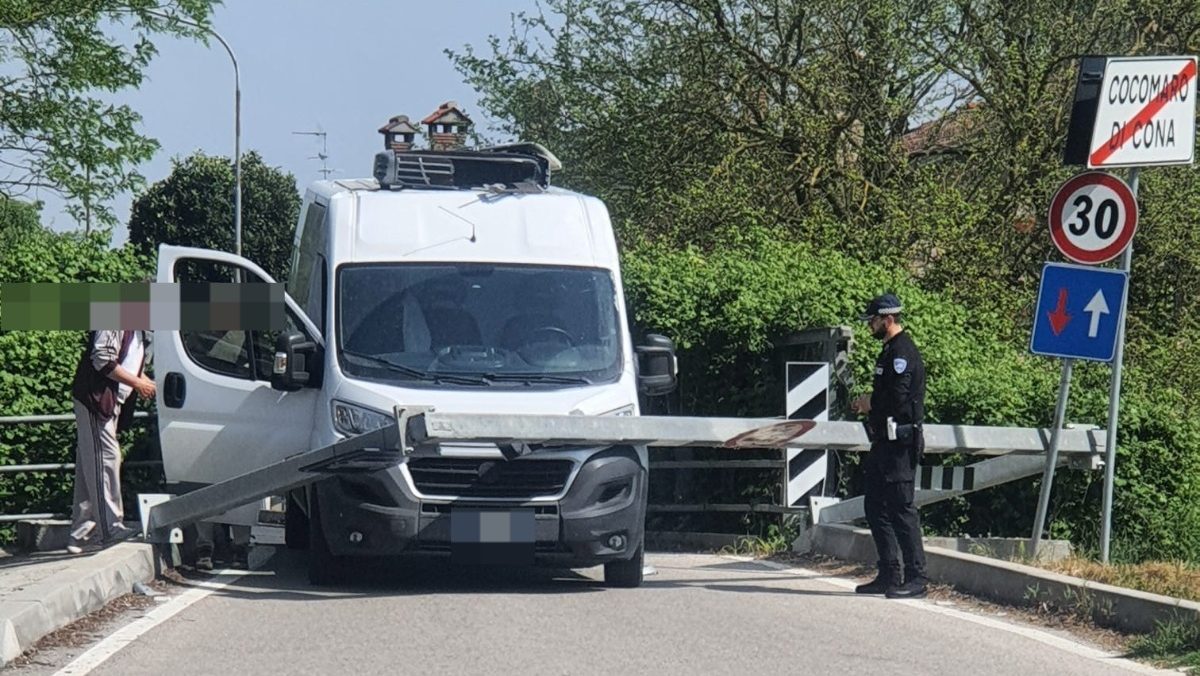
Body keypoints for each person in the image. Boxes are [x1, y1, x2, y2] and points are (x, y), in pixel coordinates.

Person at [849, 293, 929, 599]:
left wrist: (870, 403)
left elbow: (898, 398)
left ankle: (917, 577)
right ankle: (889, 573)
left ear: (888, 319)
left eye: (873, 320)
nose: (869, 325)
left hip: (900, 443)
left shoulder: (902, 352)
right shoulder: (889, 350)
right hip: (884, 442)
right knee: (875, 506)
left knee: (901, 509)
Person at [67, 330, 155, 554]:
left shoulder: (138, 329)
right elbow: (103, 359)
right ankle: (110, 529)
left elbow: (127, 362)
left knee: (91, 465)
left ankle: (83, 533)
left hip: (106, 400)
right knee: (106, 458)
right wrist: (138, 383)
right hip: (96, 399)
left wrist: (143, 380)